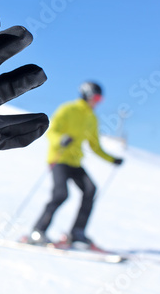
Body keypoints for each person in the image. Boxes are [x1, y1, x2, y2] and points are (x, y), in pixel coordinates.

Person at [28, 81, 123, 248]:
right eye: (96, 97)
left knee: (90, 189)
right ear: (87, 94)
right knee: (61, 194)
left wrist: (112, 159)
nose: (98, 101)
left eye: (100, 99)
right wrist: (61, 139)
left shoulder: (92, 118)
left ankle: (77, 233)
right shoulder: (68, 109)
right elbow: (52, 130)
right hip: (59, 159)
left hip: (75, 162)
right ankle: (38, 231)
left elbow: (95, 146)